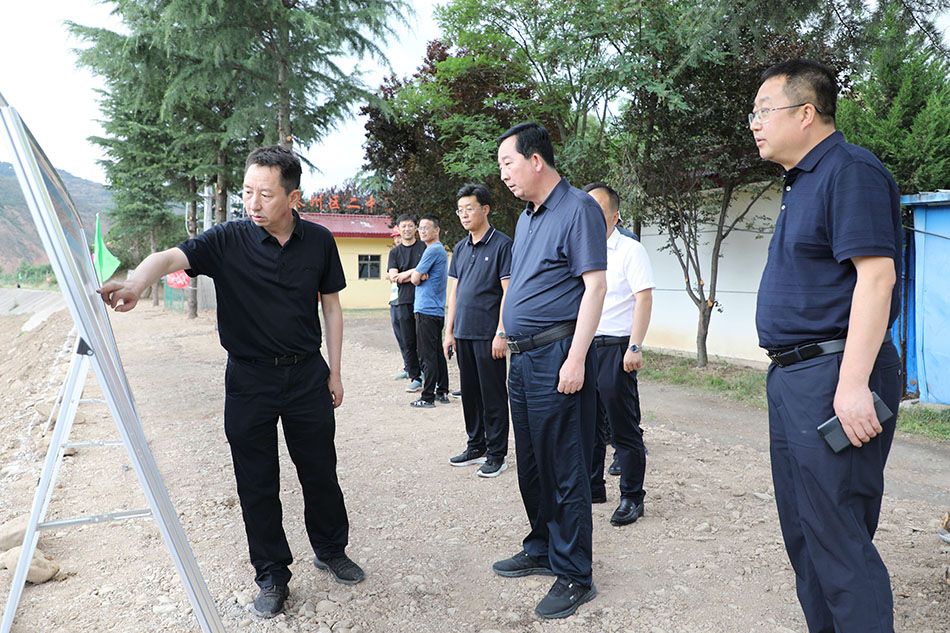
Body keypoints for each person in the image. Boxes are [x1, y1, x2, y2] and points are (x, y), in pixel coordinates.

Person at [97, 146, 364, 619]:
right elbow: (167, 256)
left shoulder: (319, 242)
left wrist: (336, 371)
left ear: (293, 197)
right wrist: (136, 284)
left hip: (307, 374)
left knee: (320, 469)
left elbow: (331, 306)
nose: (253, 203)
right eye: (247, 192)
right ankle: (272, 575)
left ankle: (330, 549)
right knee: (256, 481)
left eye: (265, 194)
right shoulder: (227, 240)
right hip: (249, 378)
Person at [751, 59, 902, 633]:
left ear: (806, 113)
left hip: (835, 374)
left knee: (838, 538)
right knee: (805, 533)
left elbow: (877, 278)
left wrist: (854, 384)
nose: (755, 123)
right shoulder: (801, 181)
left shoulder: (850, 171)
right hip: (794, 378)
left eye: (764, 111)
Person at [491, 122, 607, 619]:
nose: (504, 175)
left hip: (557, 354)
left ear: (536, 160)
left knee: (564, 465)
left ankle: (575, 573)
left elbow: (595, 287)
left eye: (508, 163)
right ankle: (541, 546)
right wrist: (504, 330)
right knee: (533, 462)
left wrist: (576, 358)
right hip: (522, 358)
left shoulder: (578, 209)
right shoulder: (527, 218)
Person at [582, 182, 654, 525]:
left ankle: (632, 497)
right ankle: (593, 486)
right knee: (589, 424)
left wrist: (635, 345)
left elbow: (644, 298)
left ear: (615, 215)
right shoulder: (581, 250)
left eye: (598, 208)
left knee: (623, 427)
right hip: (586, 347)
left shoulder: (629, 250)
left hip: (616, 347)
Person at [443, 183, 513, 477]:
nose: (463, 214)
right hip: (463, 333)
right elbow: (455, 292)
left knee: (492, 395)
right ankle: (476, 445)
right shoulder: (460, 248)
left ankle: (497, 454)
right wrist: (449, 331)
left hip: (488, 334)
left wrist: (501, 332)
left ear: (485, 209)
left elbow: (508, 292)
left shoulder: (502, 245)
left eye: (469, 208)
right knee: (470, 394)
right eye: (460, 210)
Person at [409, 215, 450, 408]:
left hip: (426, 309)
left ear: (437, 230)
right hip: (435, 310)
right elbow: (417, 275)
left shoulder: (432, 250)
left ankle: (427, 397)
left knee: (427, 355)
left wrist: (418, 275)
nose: (422, 231)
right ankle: (442, 391)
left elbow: (415, 278)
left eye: (427, 227)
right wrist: (418, 275)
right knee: (436, 353)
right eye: (421, 228)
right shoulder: (438, 250)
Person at [387, 215, 426, 392]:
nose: (407, 229)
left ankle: (428, 374)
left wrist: (406, 275)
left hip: (423, 300)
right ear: (398, 228)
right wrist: (415, 273)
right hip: (403, 301)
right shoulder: (395, 253)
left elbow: (426, 274)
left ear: (415, 227)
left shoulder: (424, 247)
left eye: (410, 226)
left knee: (424, 339)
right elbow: (394, 277)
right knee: (408, 340)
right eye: (403, 226)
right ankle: (415, 376)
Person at [388, 226, 408, 379]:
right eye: (395, 237)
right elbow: (391, 276)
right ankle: (408, 366)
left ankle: (418, 369)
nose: (397, 240)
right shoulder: (394, 254)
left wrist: (397, 276)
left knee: (410, 336)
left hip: (406, 300)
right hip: (394, 300)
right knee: (400, 336)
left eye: (398, 236)